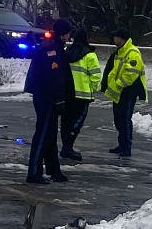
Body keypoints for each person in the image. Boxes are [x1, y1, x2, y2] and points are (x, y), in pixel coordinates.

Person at [23, 18, 74, 184]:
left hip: (47, 97)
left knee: (50, 135)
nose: (68, 37)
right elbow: (54, 78)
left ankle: (54, 171)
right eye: (67, 34)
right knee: (43, 134)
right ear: (63, 34)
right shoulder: (51, 50)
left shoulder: (54, 47)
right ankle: (34, 172)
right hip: (47, 98)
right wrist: (60, 100)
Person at [102, 27, 146, 157]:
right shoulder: (120, 52)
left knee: (125, 119)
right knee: (119, 119)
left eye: (115, 37)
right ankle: (122, 145)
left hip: (128, 92)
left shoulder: (132, 52)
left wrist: (118, 84)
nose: (113, 39)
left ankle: (126, 147)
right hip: (119, 92)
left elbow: (131, 74)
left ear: (121, 38)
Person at [60, 27, 101, 162]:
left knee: (66, 121)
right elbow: (95, 77)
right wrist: (91, 88)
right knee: (77, 122)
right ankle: (68, 148)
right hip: (82, 96)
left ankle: (65, 147)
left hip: (67, 94)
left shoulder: (67, 52)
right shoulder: (90, 55)